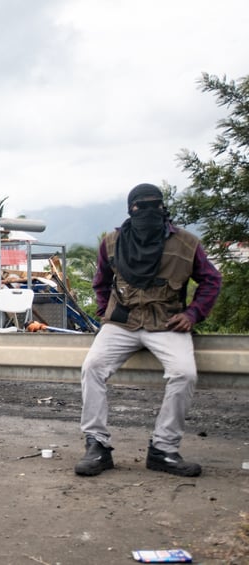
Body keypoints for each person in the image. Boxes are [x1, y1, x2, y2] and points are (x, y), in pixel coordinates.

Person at [75, 183, 222, 478]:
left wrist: (192, 314)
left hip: (167, 322)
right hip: (122, 322)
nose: (147, 212)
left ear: (163, 208)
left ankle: (164, 449)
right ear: (130, 209)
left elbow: (211, 280)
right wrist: (106, 312)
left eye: (154, 205)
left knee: (184, 373)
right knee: (92, 367)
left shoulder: (187, 243)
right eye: (140, 206)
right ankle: (97, 446)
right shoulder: (112, 242)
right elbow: (101, 282)